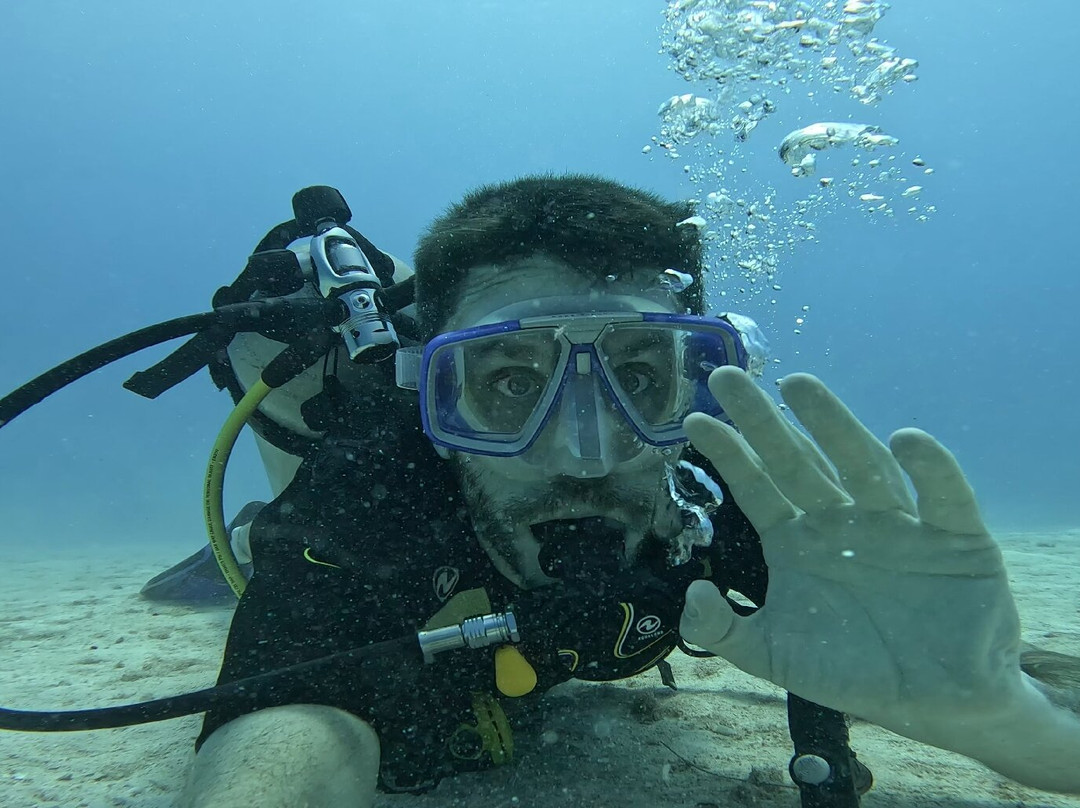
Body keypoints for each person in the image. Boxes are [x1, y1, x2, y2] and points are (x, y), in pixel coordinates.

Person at [172, 175, 1080, 806]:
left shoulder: (736, 494)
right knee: (268, 562)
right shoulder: (375, 488)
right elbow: (283, 717)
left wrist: (997, 713)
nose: (586, 452)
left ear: (700, 382)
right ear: (429, 391)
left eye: (640, 379)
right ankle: (246, 537)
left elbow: (1001, 701)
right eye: (513, 383)